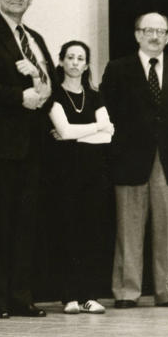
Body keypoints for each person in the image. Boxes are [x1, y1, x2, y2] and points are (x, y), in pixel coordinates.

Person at [0, 0, 55, 318]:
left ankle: (21, 296)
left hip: (33, 145)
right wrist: (20, 96)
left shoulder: (33, 37)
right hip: (2, 144)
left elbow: (50, 80)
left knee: (25, 223)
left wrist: (40, 86)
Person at [101, 12, 168, 309]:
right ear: (137, 34)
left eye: (161, 31)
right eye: (149, 30)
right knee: (129, 227)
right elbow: (107, 113)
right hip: (129, 159)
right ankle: (127, 291)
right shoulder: (118, 69)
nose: (155, 36)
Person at [48, 41, 112, 314]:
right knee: (67, 231)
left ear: (86, 65)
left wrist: (78, 132)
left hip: (93, 173)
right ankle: (69, 296)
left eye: (80, 58)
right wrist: (96, 127)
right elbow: (64, 130)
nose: (75, 62)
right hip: (64, 173)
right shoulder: (54, 95)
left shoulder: (95, 95)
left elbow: (108, 135)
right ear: (61, 61)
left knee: (91, 232)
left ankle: (89, 295)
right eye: (70, 57)